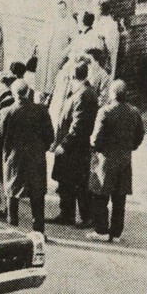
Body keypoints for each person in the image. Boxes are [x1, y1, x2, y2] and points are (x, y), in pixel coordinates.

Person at [0, 78, 54, 233]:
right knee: (37, 196)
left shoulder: (6, 112)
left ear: (13, 94)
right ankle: (38, 231)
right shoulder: (41, 111)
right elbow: (50, 137)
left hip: (14, 160)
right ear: (28, 92)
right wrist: (41, 149)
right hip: (36, 159)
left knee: (12, 195)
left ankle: (12, 230)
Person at [88, 79, 145, 243]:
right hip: (125, 160)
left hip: (106, 159)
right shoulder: (134, 112)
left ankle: (101, 230)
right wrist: (130, 147)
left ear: (112, 93)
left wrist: (96, 148)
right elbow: (139, 136)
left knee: (100, 195)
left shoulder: (105, 111)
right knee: (120, 199)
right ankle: (116, 233)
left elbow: (95, 139)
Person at [51, 60, 99, 228]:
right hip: (74, 148)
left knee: (78, 184)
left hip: (75, 149)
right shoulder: (81, 92)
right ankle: (67, 214)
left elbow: (79, 126)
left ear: (72, 76)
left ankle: (87, 218)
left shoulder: (83, 95)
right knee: (67, 182)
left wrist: (64, 144)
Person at [31, 0, 76, 104]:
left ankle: (49, 101)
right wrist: (38, 45)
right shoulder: (51, 19)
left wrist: (64, 53)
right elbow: (42, 33)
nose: (61, 11)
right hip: (44, 54)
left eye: (63, 9)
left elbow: (75, 41)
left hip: (57, 56)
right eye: (58, 9)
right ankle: (39, 101)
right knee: (41, 82)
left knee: (52, 82)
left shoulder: (71, 22)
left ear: (66, 9)